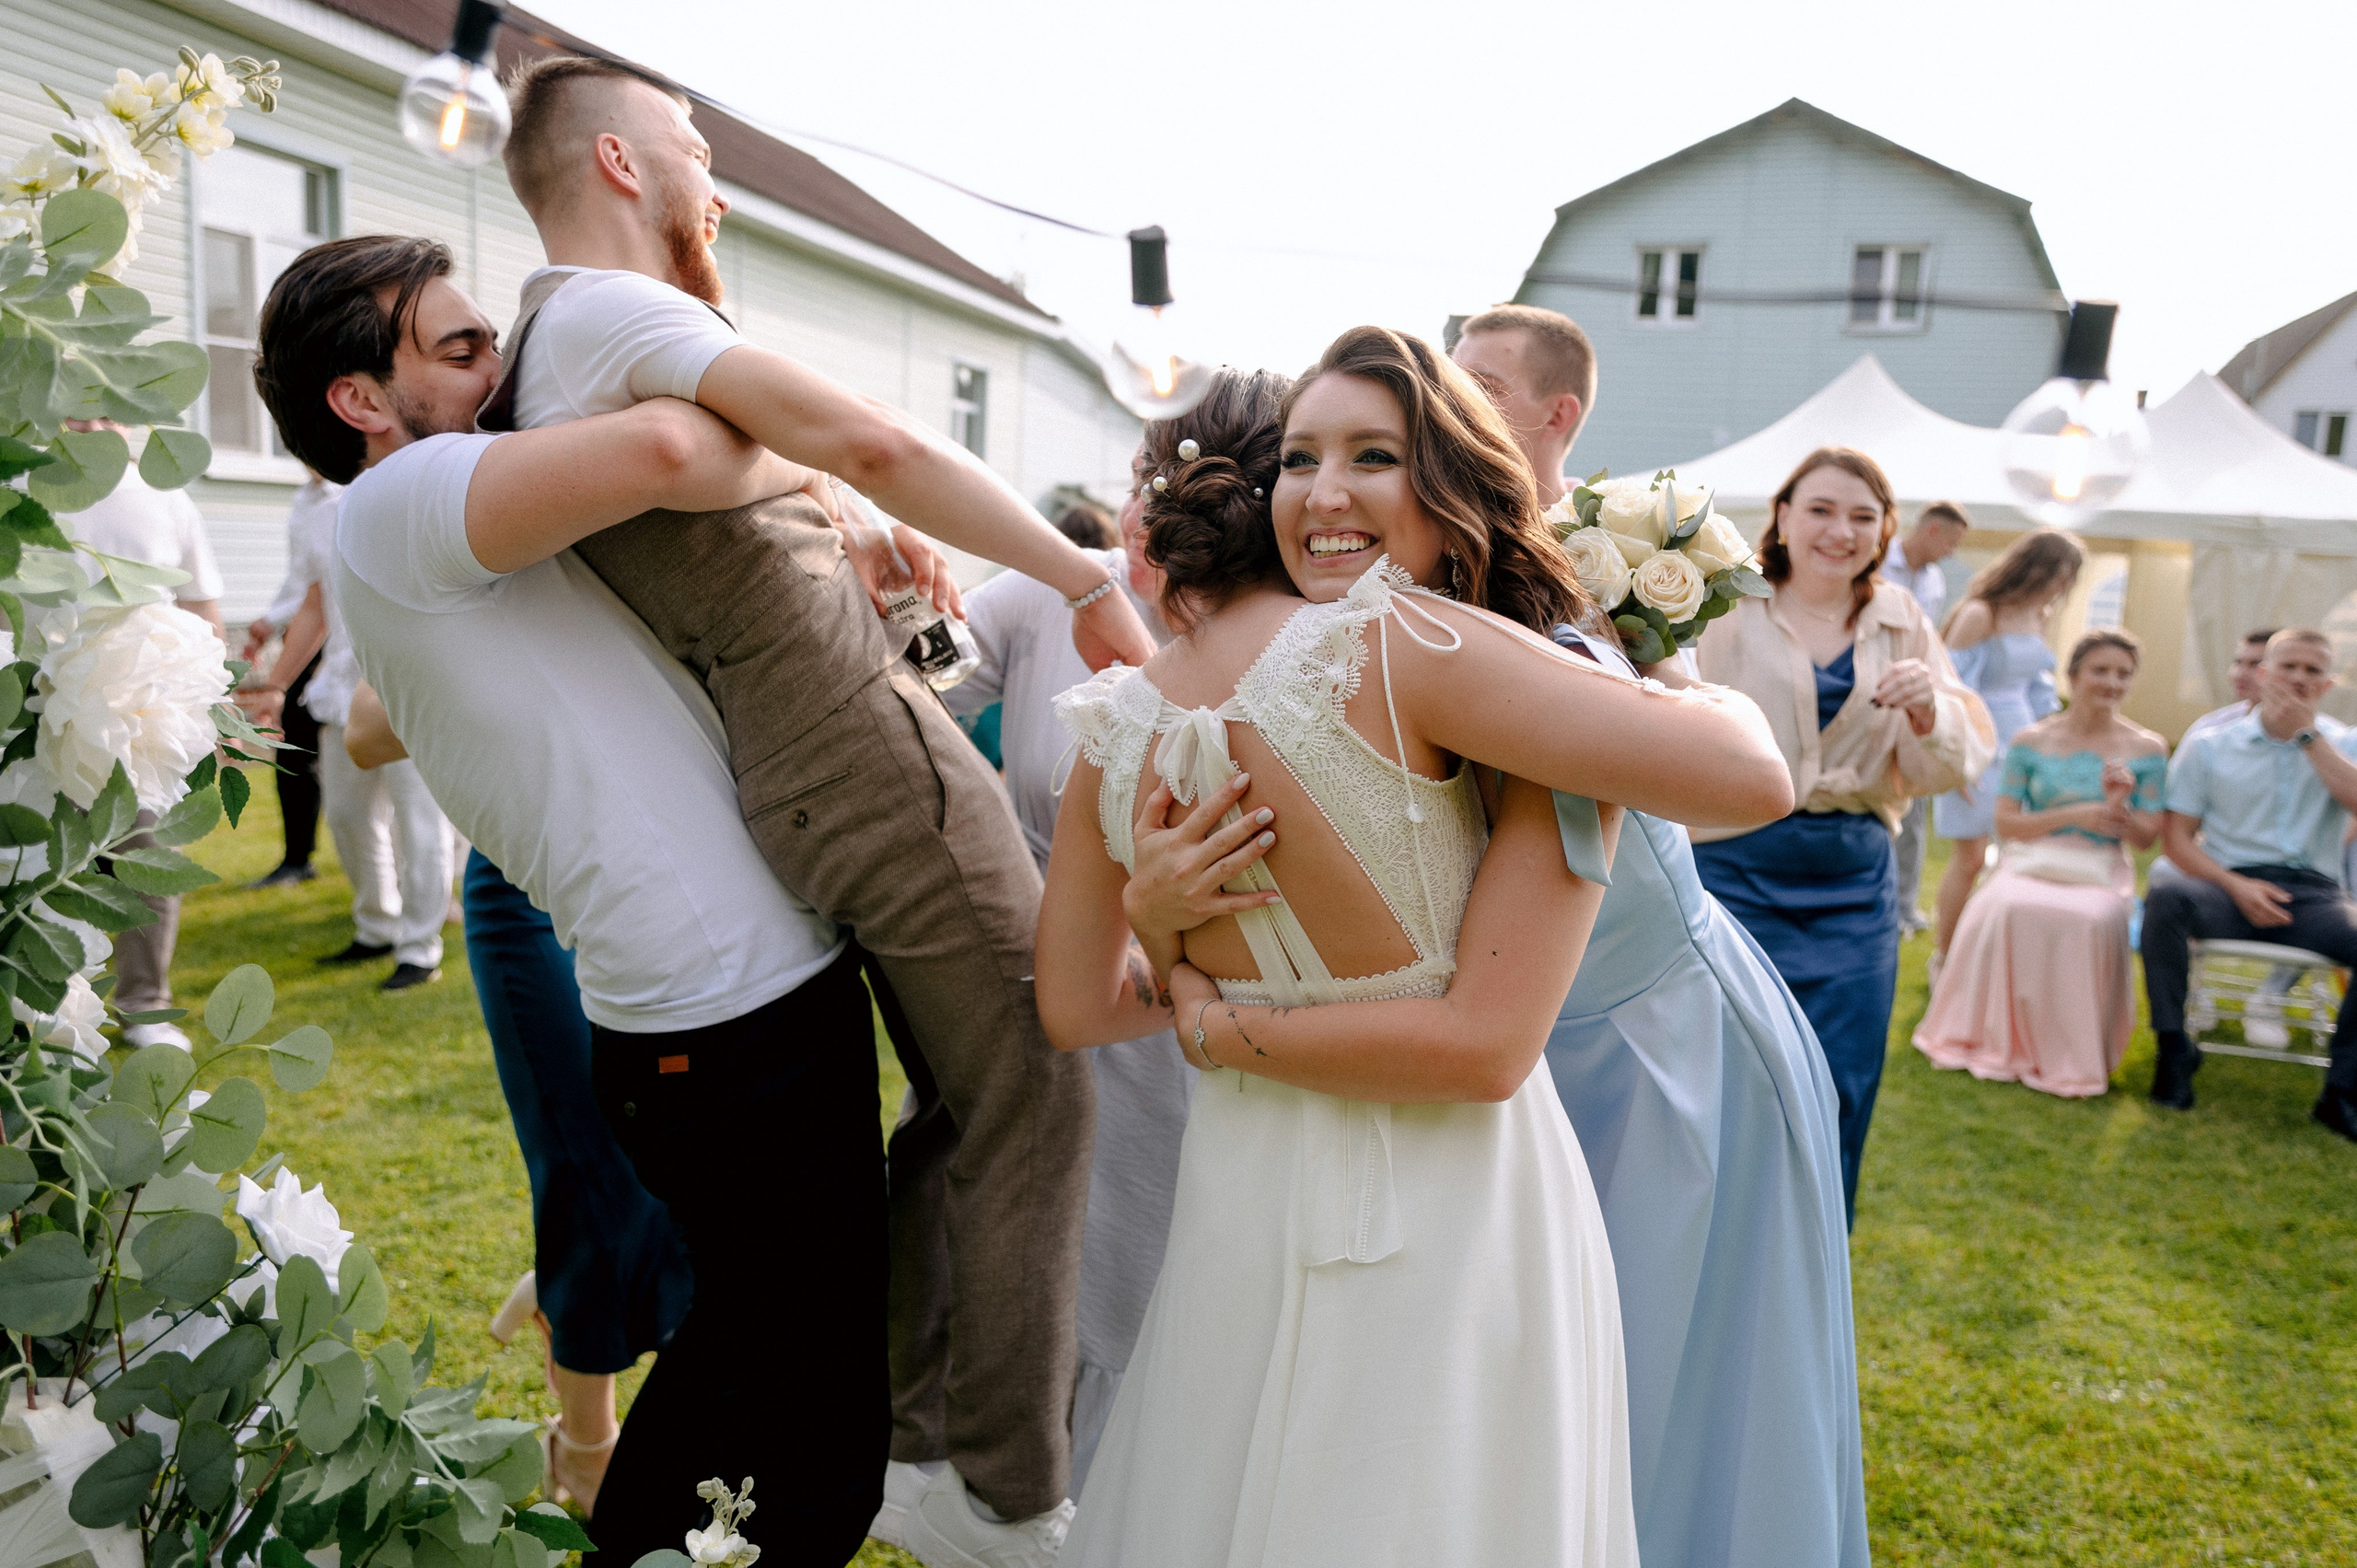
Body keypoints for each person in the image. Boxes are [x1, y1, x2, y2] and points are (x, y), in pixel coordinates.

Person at [481, 56, 1158, 1563]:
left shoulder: (549, 348)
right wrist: (1087, 577)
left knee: (969, 1094)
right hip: (870, 767)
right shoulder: (617, 317)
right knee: (1042, 1076)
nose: (712, 172)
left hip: (808, 775)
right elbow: (881, 443)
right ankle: (998, 1482)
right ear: (614, 161)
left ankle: (917, 1425)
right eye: (692, 141)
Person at [1039, 331, 1794, 1566]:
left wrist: (1178, 951)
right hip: (1445, 1193)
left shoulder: (1122, 720)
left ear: (1453, 483)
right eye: (1303, 458)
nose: (1325, 492)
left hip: (1244, 1176)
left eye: (1371, 456)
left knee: (1230, 1494)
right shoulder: (1409, 649)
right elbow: (1754, 776)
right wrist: (1691, 686)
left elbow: (1073, 1003)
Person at [253, 233, 898, 1564]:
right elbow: (670, 447)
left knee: (765, 1375)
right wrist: (818, 457)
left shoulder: (434, 518)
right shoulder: (409, 493)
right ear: (361, 401)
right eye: (457, 345)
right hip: (723, 1011)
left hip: (721, 999)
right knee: (812, 1425)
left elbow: (379, 719)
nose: (501, 362)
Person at [341, 680, 693, 1516]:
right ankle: (587, 1448)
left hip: (670, 878)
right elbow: (362, 729)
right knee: (587, 1160)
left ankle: (565, 1288)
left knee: (684, 1159)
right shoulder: (484, 560)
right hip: (530, 883)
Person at [931, 448, 1182, 1513]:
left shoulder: (1284, 618)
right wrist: (910, 588)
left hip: (1169, 1001)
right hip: (1019, 958)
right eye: (1141, 483)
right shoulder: (1052, 584)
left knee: (1139, 1269)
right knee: (1009, 1242)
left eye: (1180, 487)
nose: (1144, 514)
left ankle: (1129, 1488)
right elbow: (921, 675)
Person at [1688, 447, 1993, 1223]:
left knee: (1840, 1080)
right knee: (1727, 1075)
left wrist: (1931, 710)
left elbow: (1956, 758)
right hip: (1728, 867)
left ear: (1886, 530)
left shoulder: (1903, 620)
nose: (1840, 530)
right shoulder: (1722, 604)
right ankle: (1718, 1248)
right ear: (1783, 515)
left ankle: (1813, 1261)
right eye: (1821, 509)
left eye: (1863, 516)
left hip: (1854, 883)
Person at [1913, 630, 2165, 1097]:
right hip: (2033, 857)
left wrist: (2119, 807)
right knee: (2002, 906)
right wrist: (2076, 814)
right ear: (2073, 676)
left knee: (2090, 919)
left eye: (2123, 674)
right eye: (2100, 670)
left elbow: (2148, 839)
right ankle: (1991, 1036)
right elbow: (2006, 824)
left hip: (2098, 864)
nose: (2111, 682)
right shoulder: (2033, 739)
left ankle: (2067, 1051)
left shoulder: (2147, 748)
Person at [2142, 629, 2357, 1140]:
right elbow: (2177, 841)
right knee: (2167, 897)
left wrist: (2309, 738)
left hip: (2314, 894)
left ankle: (2342, 1092)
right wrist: (2235, 885)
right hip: (2225, 884)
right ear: (2263, 676)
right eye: (2289, 667)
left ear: (2326, 684)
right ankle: (2174, 1052)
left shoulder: (2342, 741)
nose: (2300, 679)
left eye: (2312, 671)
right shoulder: (2212, 745)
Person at [243, 500, 458, 992]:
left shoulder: (406, 494)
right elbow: (315, 606)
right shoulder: (315, 514)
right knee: (346, 814)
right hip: (340, 687)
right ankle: (378, 926)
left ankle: (420, 948)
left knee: (420, 822)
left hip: (406, 684)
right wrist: (277, 686)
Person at [64, 433, 226, 1051]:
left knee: (142, 855)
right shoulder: (23, 489)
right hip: (40, 702)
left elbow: (201, 605)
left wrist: (212, 704)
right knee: (47, 856)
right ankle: (57, 998)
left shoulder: (166, 495)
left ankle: (143, 1002)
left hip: (140, 710)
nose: (90, 426)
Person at [1928, 529, 2084, 968]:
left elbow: (2039, 688)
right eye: (2059, 573)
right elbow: (1951, 687)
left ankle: (1989, 955)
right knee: (1971, 856)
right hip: (1975, 737)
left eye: (2069, 577)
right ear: (2033, 567)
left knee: (2016, 853)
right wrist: (1959, 761)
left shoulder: (2041, 614)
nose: (2062, 585)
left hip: (2022, 739)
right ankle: (1946, 958)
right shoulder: (1981, 613)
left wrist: (2052, 743)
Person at [240, 470, 342, 889]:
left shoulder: (349, 491)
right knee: (294, 748)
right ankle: (298, 857)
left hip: (343, 642)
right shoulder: (306, 498)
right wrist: (271, 619)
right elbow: (304, 581)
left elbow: (323, 592)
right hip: (310, 633)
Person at [1880, 500, 1970, 931]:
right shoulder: (1877, 560)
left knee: (1915, 814)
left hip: (1915, 701)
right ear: (1932, 530)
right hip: (1872, 695)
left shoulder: (1933, 580)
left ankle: (1904, 907)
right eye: (1951, 541)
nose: (1952, 552)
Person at [1449, 303, 1595, 506]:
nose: (1452, 403)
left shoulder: (1621, 535)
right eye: (1451, 387)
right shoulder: (1421, 529)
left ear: (1557, 416)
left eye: (1484, 388)